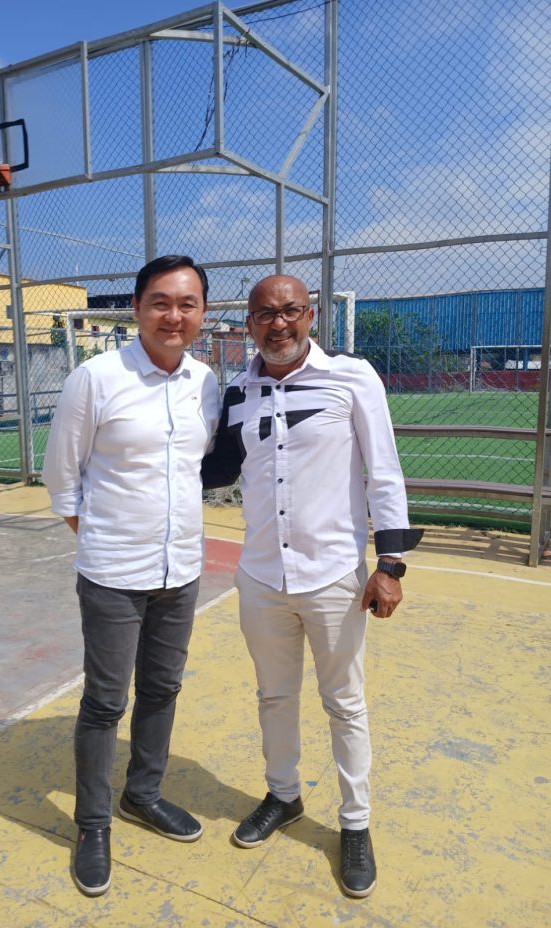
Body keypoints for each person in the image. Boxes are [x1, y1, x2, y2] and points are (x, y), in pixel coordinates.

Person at [202, 274, 422, 898]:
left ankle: (355, 823)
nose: (279, 324)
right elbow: (211, 470)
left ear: (311, 315)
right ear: (248, 324)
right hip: (260, 576)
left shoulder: (352, 377)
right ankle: (284, 795)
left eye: (290, 311)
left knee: (344, 703)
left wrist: (390, 565)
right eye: (265, 314)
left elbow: (384, 471)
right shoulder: (238, 392)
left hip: (333, 576)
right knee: (273, 696)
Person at [42, 255, 219, 896]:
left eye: (187, 303)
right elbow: (62, 479)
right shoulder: (96, 378)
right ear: (138, 308)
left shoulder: (206, 381)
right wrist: (105, 539)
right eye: (160, 302)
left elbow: (200, 464)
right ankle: (93, 825)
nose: (174, 316)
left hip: (182, 568)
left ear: (202, 312)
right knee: (105, 701)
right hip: (114, 573)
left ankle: (142, 794)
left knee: (163, 688)